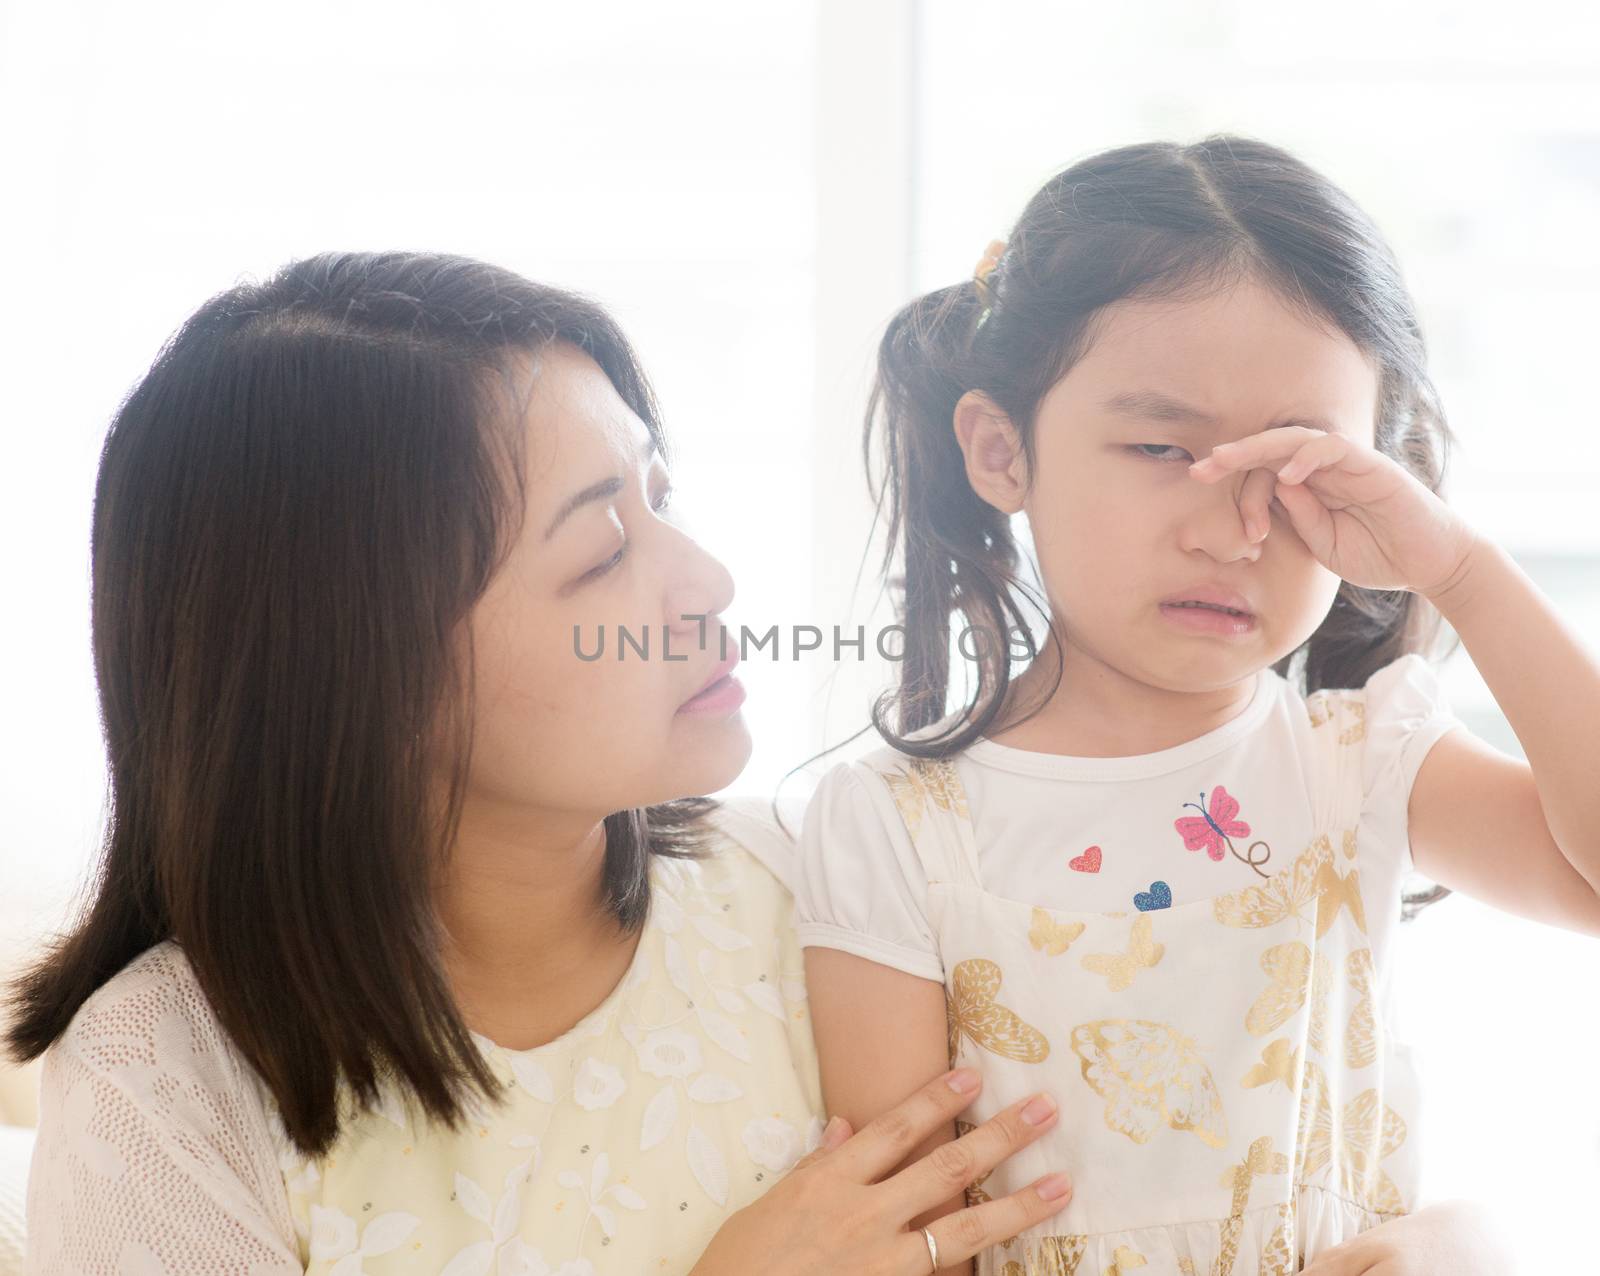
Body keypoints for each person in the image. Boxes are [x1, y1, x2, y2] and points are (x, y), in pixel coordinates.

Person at [4, 252, 1074, 1275]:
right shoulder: (166, 1073)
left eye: (661, 498)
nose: (707, 579)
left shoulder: (817, 887)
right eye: (603, 553)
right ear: (357, 665)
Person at [795, 133, 1597, 1274]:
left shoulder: (1360, 758)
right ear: (999, 449)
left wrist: (1459, 570)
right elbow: (908, 1238)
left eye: (1298, 469)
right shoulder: (892, 823)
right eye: (1161, 446)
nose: (1229, 530)